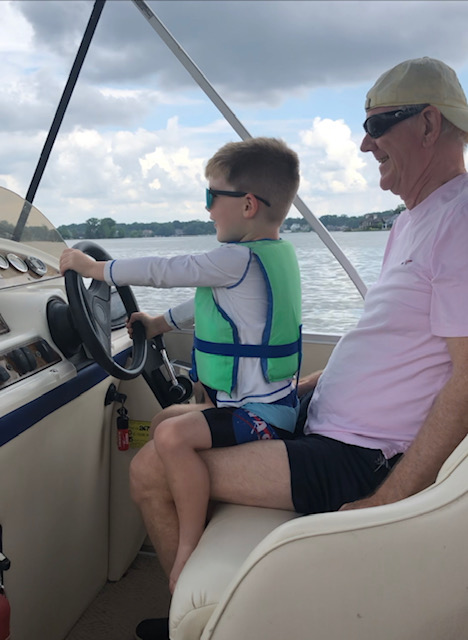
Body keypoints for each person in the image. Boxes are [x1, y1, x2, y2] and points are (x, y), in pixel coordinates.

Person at [128, 56, 468, 640]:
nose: (365, 144)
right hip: (325, 421)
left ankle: (193, 616)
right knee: (171, 418)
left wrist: (388, 499)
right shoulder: (414, 220)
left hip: (360, 458)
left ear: (430, 125)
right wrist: (299, 390)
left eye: (378, 125)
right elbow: (388, 350)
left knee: (152, 466)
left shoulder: (460, 221)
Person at [59, 136, 302, 593]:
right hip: (270, 406)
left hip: (259, 419)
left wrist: (95, 270)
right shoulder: (271, 255)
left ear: (247, 204)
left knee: (170, 435)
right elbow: (204, 304)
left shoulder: (236, 257)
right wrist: (156, 323)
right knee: (171, 416)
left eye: (212, 197)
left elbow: (167, 269)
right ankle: (200, 535)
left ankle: (189, 544)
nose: (208, 210)